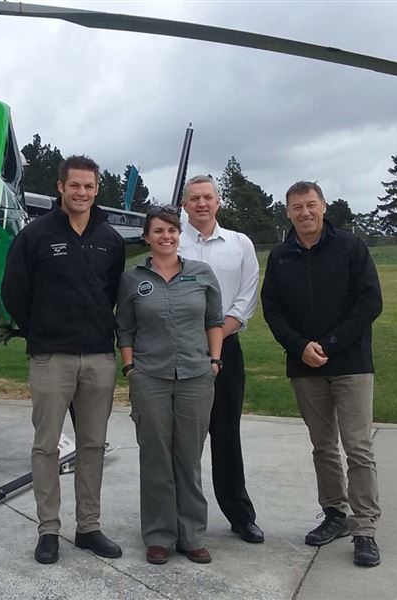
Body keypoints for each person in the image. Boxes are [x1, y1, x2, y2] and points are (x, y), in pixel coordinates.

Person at [1, 155, 126, 565]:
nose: (82, 193)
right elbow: (15, 292)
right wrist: (40, 331)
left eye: (89, 187)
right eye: (75, 185)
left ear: (96, 190)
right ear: (60, 187)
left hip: (97, 358)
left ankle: (88, 527)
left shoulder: (109, 238)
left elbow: (111, 293)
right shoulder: (35, 235)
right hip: (51, 357)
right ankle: (48, 530)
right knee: (46, 447)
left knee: (92, 445)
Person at [260, 181, 383, 567]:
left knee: (358, 448)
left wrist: (329, 344)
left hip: (350, 364)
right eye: (297, 207)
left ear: (324, 207)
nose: (305, 212)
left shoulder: (350, 247)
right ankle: (335, 515)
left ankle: (365, 529)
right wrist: (300, 346)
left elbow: (370, 302)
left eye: (311, 205)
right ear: (288, 212)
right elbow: (273, 310)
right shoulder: (280, 256)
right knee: (323, 446)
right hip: (304, 366)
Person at [116, 205, 224, 565]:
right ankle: (159, 536)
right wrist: (130, 367)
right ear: (146, 237)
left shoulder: (201, 274)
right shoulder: (132, 278)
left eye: (172, 230)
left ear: (180, 235)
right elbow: (125, 328)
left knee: (189, 458)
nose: (166, 236)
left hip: (196, 376)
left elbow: (214, 320)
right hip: (150, 378)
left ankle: (192, 535)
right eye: (158, 231)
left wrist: (214, 361)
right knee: (156, 457)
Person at [177, 174, 265, 544]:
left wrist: (217, 334)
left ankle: (240, 515)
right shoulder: (171, 241)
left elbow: (246, 296)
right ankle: (179, 516)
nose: (201, 203)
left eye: (208, 197)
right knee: (181, 439)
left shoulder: (239, 244)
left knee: (226, 434)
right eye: (194, 198)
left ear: (218, 201)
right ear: (184, 204)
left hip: (226, 348)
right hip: (178, 349)